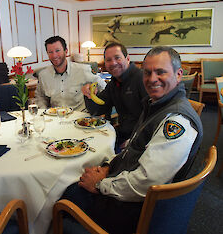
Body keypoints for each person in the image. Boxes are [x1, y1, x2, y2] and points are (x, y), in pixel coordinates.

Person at [62, 46, 203, 234]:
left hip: (139, 211)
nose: (152, 79)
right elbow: (133, 149)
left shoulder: (177, 121)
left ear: (178, 75)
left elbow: (147, 183)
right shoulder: (156, 104)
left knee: (66, 196)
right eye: (148, 72)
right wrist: (106, 168)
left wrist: (99, 184)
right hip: (128, 183)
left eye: (161, 72)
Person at [82, 43, 147, 153]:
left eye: (117, 58)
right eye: (108, 60)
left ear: (127, 59)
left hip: (139, 141)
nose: (113, 63)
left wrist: (133, 142)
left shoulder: (142, 79)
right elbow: (97, 110)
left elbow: (152, 117)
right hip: (122, 133)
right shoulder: (114, 83)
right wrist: (88, 95)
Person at [35, 36, 106, 111]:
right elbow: (40, 97)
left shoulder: (83, 70)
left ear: (66, 51)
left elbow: (104, 87)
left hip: (80, 118)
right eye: (50, 52)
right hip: (56, 118)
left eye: (57, 51)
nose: (54, 55)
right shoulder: (43, 75)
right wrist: (44, 112)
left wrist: (94, 88)